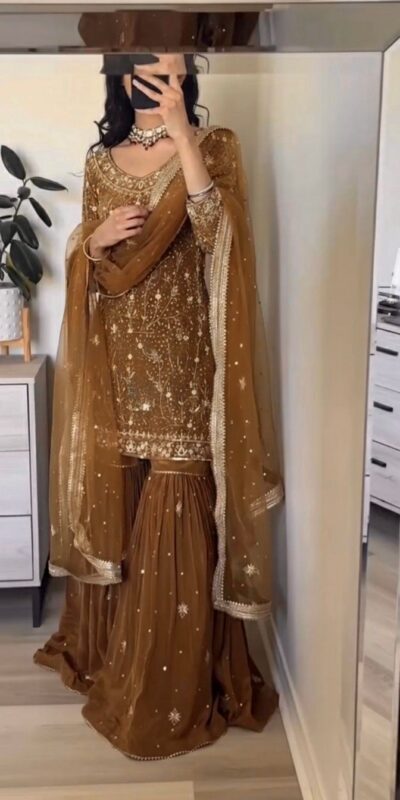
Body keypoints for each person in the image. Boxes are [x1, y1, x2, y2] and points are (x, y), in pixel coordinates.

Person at [33, 52, 284, 760]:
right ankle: (109, 654)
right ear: (120, 76)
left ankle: (165, 687)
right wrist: (93, 242)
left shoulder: (215, 146)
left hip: (185, 365)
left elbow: (219, 237)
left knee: (176, 507)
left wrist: (181, 135)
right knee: (122, 504)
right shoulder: (99, 162)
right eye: (145, 72)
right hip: (118, 363)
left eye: (171, 73)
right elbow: (94, 269)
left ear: (187, 78)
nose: (156, 83)